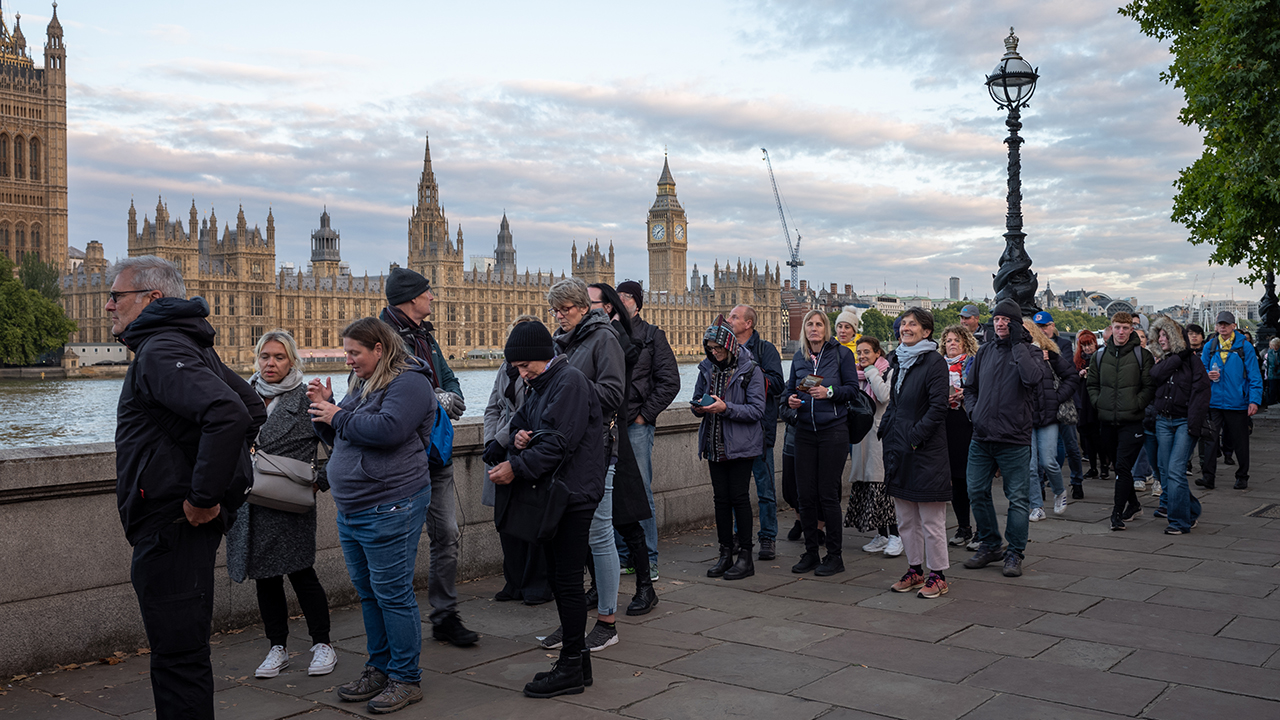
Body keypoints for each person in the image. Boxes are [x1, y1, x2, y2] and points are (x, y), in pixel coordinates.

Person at [110, 256, 265, 720]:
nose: (108, 305)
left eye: (117, 296)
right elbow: (252, 407)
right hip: (178, 525)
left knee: (177, 660)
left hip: (171, 525)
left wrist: (202, 497)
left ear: (152, 298)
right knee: (184, 653)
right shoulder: (187, 342)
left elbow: (231, 414)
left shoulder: (160, 348)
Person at [307, 317, 438, 714]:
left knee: (393, 594)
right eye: (346, 352)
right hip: (354, 507)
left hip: (391, 503)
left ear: (379, 349)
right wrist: (324, 410)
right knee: (369, 593)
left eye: (355, 353)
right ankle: (379, 667)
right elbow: (344, 435)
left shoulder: (409, 382)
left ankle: (406, 677)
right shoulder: (362, 382)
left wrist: (337, 414)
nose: (348, 360)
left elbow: (388, 430)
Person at [487, 321, 605, 698]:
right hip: (561, 492)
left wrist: (515, 466)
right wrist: (520, 437)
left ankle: (569, 667)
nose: (522, 374)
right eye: (517, 368)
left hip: (573, 494)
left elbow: (558, 444)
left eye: (525, 366)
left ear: (543, 356)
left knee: (567, 582)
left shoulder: (569, 382)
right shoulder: (542, 384)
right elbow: (522, 423)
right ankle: (578, 662)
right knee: (559, 577)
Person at [378, 268, 478, 648]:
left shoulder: (426, 336)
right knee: (399, 543)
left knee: (447, 534)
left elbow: (449, 378)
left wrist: (450, 395)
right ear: (410, 298)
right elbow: (383, 386)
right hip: (402, 459)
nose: (433, 297)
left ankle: (444, 615)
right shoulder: (380, 338)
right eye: (427, 292)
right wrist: (432, 398)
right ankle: (395, 621)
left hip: (436, 455)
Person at [228, 330, 336, 680]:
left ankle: (323, 644)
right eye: (265, 356)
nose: (270, 363)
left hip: (289, 502)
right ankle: (277, 647)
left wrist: (319, 481)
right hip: (249, 503)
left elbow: (341, 446)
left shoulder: (307, 398)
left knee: (302, 574)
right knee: (266, 579)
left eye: (279, 357)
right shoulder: (241, 396)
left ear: (292, 361)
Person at [543, 278, 626, 652]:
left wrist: (567, 388)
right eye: (555, 310)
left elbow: (612, 393)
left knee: (599, 533)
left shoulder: (604, 338)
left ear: (582, 307)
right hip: (565, 449)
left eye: (565, 309)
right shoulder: (562, 341)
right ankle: (571, 622)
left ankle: (607, 622)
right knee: (567, 537)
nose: (559, 316)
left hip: (596, 448)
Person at [589, 282, 658, 616]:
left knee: (627, 516)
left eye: (589, 302)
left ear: (608, 307)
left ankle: (646, 587)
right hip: (587, 437)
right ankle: (596, 586)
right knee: (585, 518)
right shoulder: (580, 337)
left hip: (615, 435)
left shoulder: (619, 338)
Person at [961, 299, 1040, 578]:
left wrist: (1018, 344)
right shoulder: (984, 351)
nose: (1000, 323)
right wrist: (974, 413)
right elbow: (970, 388)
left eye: (1006, 319)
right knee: (975, 490)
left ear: (1016, 323)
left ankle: (1015, 552)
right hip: (982, 435)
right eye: (996, 319)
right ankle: (990, 544)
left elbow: (1032, 379)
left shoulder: (1030, 351)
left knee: (1017, 498)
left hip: (1014, 437)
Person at [879, 308, 952, 599]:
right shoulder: (899, 359)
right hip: (899, 449)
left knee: (931, 520)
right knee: (906, 519)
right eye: (904, 324)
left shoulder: (934, 362)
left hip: (925, 452)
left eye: (913, 324)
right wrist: (886, 430)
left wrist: (914, 437)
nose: (905, 328)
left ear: (926, 331)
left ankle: (938, 575)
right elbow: (894, 404)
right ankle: (915, 569)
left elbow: (938, 407)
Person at [482, 315, 552, 606]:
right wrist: (490, 441)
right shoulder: (505, 369)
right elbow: (492, 407)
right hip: (502, 449)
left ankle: (536, 584)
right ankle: (514, 581)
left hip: (526, 446)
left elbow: (528, 413)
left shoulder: (540, 372)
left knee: (531, 519)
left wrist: (501, 440)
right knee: (506, 518)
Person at [614, 280, 680, 580]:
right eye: (616, 296)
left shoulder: (653, 336)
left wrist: (644, 416)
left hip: (636, 425)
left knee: (640, 492)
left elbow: (670, 382)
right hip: (610, 426)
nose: (620, 300)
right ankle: (624, 556)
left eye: (626, 296)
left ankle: (649, 558)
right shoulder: (606, 334)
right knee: (612, 492)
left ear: (638, 304)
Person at [785, 309, 860, 576]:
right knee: (805, 496)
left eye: (819, 324)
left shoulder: (841, 355)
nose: (814, 328)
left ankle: (835, 556)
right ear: (804, 330)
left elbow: (852, 390)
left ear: (826, 329)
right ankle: (811, 553)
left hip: (833, 432)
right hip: (805, 432)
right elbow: (788, 393)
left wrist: (829, 392)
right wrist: (791, 402)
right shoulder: (799, 357)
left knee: (827, 495)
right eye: (810, 324)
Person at [692, 321, 767, 579]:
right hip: (714, 443)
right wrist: (698, 407)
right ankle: (725, 554)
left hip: (741, 446)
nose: (714, 353)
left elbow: (757, 410)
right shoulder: (706, 368)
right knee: (721, 501)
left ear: (730, 346)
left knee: (739, 498)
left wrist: (726, 408)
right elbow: (697, 397)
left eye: (718, 348)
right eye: (710, 348)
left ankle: (746, 557)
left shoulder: (751, 370)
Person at [725, 304, 786, 560]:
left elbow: (779, 384)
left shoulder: (765, 350)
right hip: (735, 430)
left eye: (734, 317)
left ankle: (768, 537)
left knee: (765, 489)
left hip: (760, 430)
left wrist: (751, 376)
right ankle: (739, 536)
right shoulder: (726, 350)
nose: (729, 320)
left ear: (748, 323)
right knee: (737, 490)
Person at [1087, 311, 1156, 531]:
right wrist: (1098, 402)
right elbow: (1092, 384)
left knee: (1124, 465)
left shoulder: (1142, 356)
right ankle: (1134, 504)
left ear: (1131, 330)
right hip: (1107, 419)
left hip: (1132, 420)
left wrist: (1137, 403)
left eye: (1125, 328)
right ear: (1111, 328)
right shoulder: (1099, 356)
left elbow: (1149, 386)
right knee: (1119, 467)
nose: (1121, 332)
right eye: (1117, 327)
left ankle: (1116, 514)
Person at [1149, 315, 1210, 534]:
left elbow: (1201, 393)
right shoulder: (1163, 361)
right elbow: (1154, 376)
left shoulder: (1193, 362)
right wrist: (1177, 357)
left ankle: (1179, 521)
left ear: (1175, 337)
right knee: (1167, 472)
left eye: (1165, 335)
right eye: (1159, 335)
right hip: (1163, 421)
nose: (1161, 339)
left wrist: (1194, 422)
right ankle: (1191, 510)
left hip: (1184, 422)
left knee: (1175, 470)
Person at [845, 336, 901, 556]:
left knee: (883, 487)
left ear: (878, 353)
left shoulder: (888, 372)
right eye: (859, 352)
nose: (862, 356)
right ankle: (882, 534)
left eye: (866, 352)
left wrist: (870, 371)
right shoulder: (856, 375)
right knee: (869, 487)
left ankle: (896, 535)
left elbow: (884, 396)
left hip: (880, 437)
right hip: (862, 438)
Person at [1198, 311, 1263, 490]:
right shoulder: (1210, 346)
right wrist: (1207, 374)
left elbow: (1254, 375)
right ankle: (1208, 477)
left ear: (1234, 326)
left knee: (1240, 441)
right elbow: (1200, 370)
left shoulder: (1245, 346)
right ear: (1216, 326)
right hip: (1214, 402)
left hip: (1237, 402)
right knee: (1210, 440)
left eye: (1226, 324)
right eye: (1220, 324)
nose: (1223, 327)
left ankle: (1242, 476)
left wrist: (1254, 401)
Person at [1024, 320, 1080, 521]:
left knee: (1048, 461)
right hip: (1026, 417)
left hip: (1048, 416)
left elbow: (1071, 377)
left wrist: (1056, 398)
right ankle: (1036, 505)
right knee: (1030, 466)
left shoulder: (1049, 355)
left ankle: (1059, 490)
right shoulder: (1016, 356)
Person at [938, 325, 978, 548]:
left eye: (956, 340)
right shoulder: (938, 366)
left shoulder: (972, 363)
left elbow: (982, 389)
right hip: (947, 424)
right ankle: (964, 527)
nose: (951, 344)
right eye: (948, 340)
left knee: (973, 480)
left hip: (967, 423)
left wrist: (967, 393)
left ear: (965, 343)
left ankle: (983, 530)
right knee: (956, 480)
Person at [1072, 330, 1104, 497]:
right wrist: (1079, 374)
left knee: (1099, 436)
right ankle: (1093, 467)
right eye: (1084, 345)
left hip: (1096, 401)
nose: (1087, 348)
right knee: (1087, 436)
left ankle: (1103, 466)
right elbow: (1071, 379)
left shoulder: (1100, 358)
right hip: (1082, 401)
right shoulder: (1078, 361)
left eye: (1089, 344)